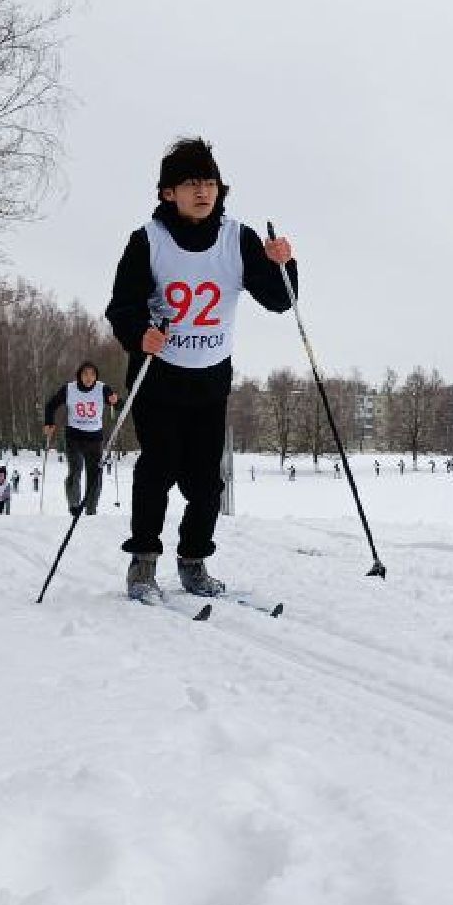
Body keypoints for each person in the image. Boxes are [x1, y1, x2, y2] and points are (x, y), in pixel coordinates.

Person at [104, 137, 298, 602]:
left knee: (207, 481)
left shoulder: (238, 238)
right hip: (159, 377)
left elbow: (279, 299)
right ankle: (143, 566)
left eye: (209, 182)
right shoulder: (147, 241)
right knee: (160, 468)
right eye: (191, 183)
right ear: (168, 192)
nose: (203, 192)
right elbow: (122, 307)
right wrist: (138, 333)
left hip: (210, 379)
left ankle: (193, 562)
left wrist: (283, 263)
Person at [44, 362, 123, 517]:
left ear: (96, 376)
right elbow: (51, 405)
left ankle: (91, 508)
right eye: (85, 374)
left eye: (92, 374)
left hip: (94, 439)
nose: (89, 378)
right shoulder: (69, 389)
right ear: (79, 375)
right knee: (76, 469)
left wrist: (116, 401)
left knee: (95, 475)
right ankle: (74, 505)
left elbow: (119, 406)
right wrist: (49, 423)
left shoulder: (102, 389)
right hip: (74, 437)